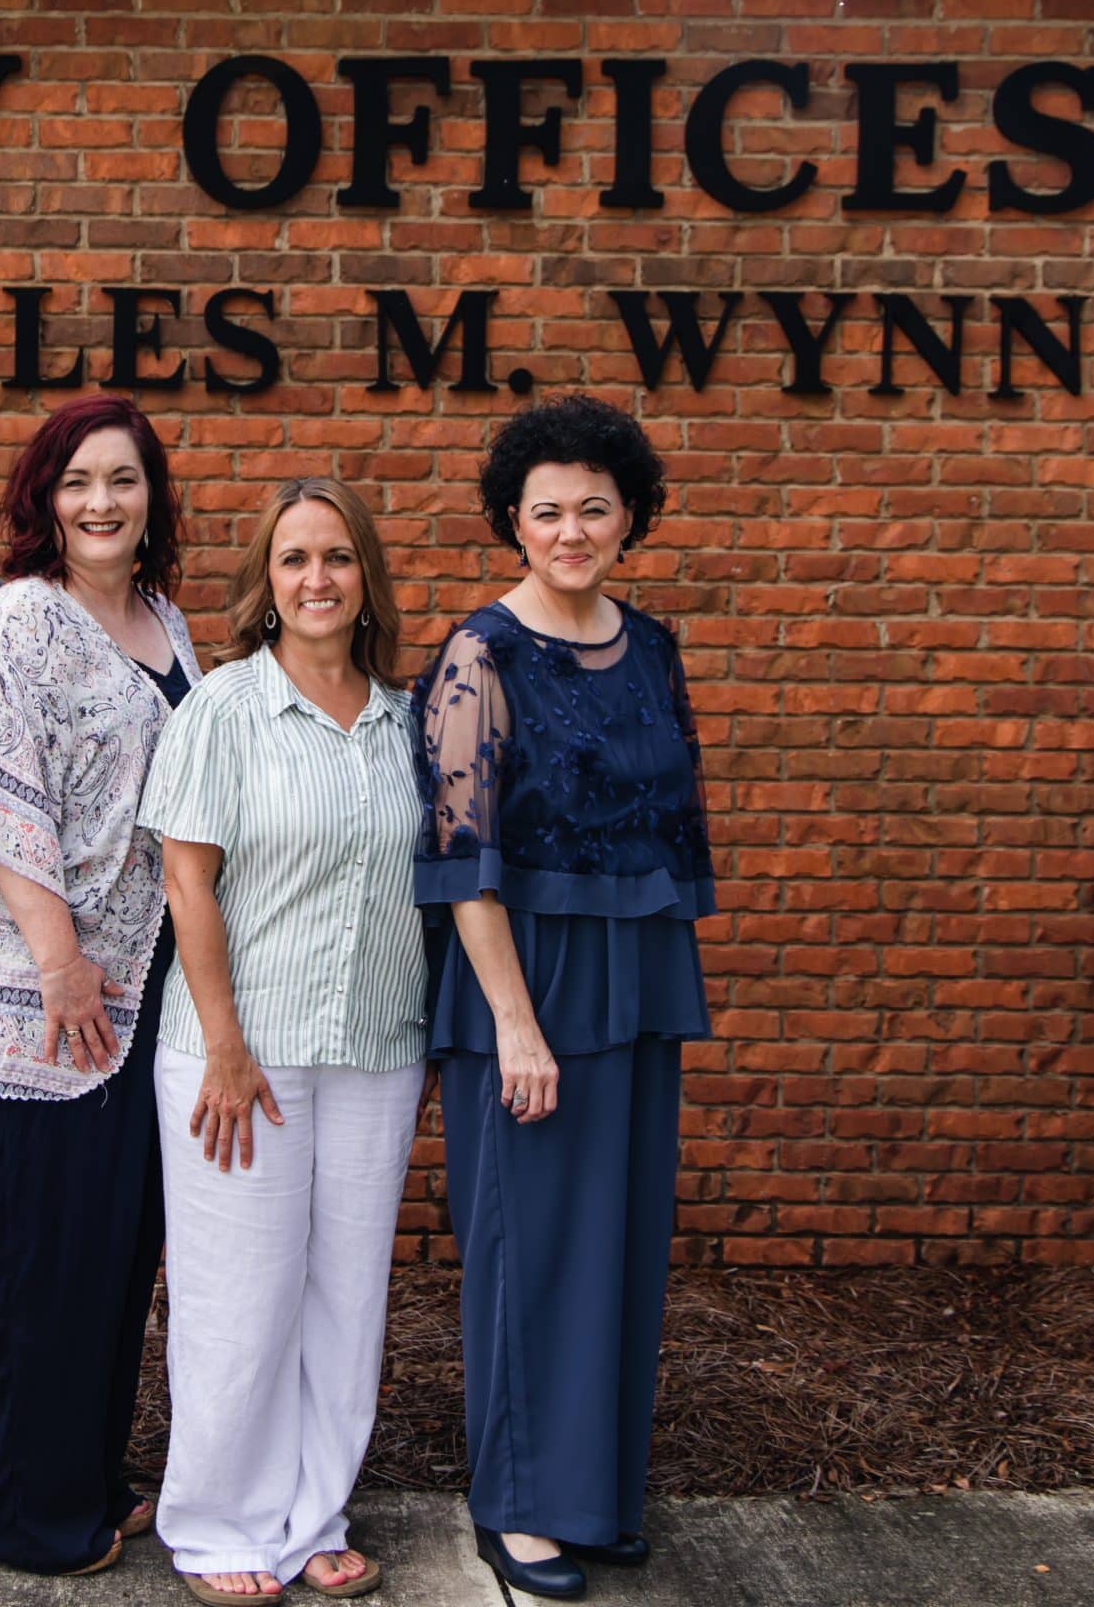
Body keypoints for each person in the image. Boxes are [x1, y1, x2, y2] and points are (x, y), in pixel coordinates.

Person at [413, 395, 717, 1602]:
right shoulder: (479, 654)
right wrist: (513, 1021)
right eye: (547, 511)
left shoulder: (651, 646)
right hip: (523, 978)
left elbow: (670, 822)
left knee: (620, 1244)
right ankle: (521, 1504)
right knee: (528, 1247)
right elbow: (458, 859)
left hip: (634, 973)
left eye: (594, 507)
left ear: (629, 515)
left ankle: (595, 1496)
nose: (571, 529)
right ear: (512, 523)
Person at [137, 478, 427, 1605]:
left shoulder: (406, 721)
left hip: (374, 1044)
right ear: (264, 582)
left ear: (366, 583)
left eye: (338, 558)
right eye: (295, 558)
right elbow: (185, 879)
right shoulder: (223, 708)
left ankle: (314, 1515)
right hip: (239, 1055)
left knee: (345, 1295)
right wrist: (221, 1041)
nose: (317, 578)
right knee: (237, 1294)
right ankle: (216, 1522)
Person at [0, 394, 201, 1578]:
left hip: (137, 995)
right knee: (31, 1260)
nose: (101, 501)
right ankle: (17, 1511)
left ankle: (85, 1475)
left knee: (108, 1251)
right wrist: (59, 963)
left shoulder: (166, 619)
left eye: (123, 480)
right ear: (46, 496)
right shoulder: (19, 623)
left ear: (152, 501)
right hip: (32, 999)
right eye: (79, 480)